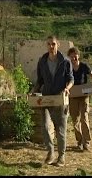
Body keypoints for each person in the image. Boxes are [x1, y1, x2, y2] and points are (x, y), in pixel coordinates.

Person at [31, 35, 74, 167]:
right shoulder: (42, 61)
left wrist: (67, 88)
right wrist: (34, 91)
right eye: (49, 44)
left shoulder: (65, 61)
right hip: (46, 98)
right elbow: (40, 80)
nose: (51, 46)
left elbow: (71, 79)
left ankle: (61, 157)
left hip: (59, 98)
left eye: (53, 44)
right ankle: (50, 152)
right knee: (45, 127)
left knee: (60, 129)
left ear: (58, 45)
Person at [67, 47, 92, 152]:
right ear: (69, 57)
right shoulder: (68, 68)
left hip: (84, 96)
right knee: (75, 120)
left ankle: (87, 142)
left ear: (78, 55)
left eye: (75, 55)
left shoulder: (84, 66)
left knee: (84, 118)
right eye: (71, 56)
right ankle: (79, 142)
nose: (73, 58)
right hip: (73, 97)